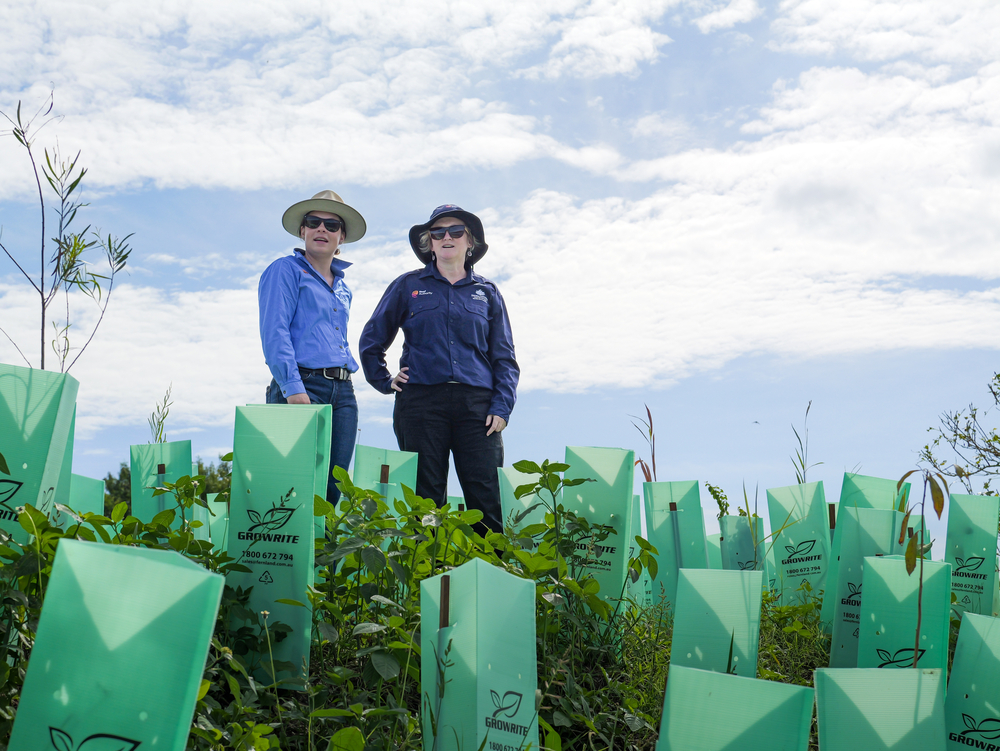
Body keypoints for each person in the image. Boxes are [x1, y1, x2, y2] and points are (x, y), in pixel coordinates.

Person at [360, 204, 518, 533]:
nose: (447, 237)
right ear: (429, 243)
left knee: (487, 498)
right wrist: (385, 381)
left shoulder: (487, 293)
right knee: (426, 500)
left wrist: (502, 407)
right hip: (420, 403)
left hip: (478, 408)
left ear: (470, 241)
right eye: (438, 232)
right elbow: (372, 340)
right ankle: (428, 565)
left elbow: (505, 358)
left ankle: (490, 565)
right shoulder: (407, 286)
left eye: (456, 231)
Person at [258, 190, 366, 504]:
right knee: (291, 489)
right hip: (303, 385)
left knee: (332, 490)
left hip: (343, 394)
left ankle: (324, 541)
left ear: (341, 236)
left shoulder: (343, 288)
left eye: (331, 225)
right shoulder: (285, 270)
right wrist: (293, 388)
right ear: (302, 230)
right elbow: (275, 332)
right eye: (313, 222)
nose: (322, 229)